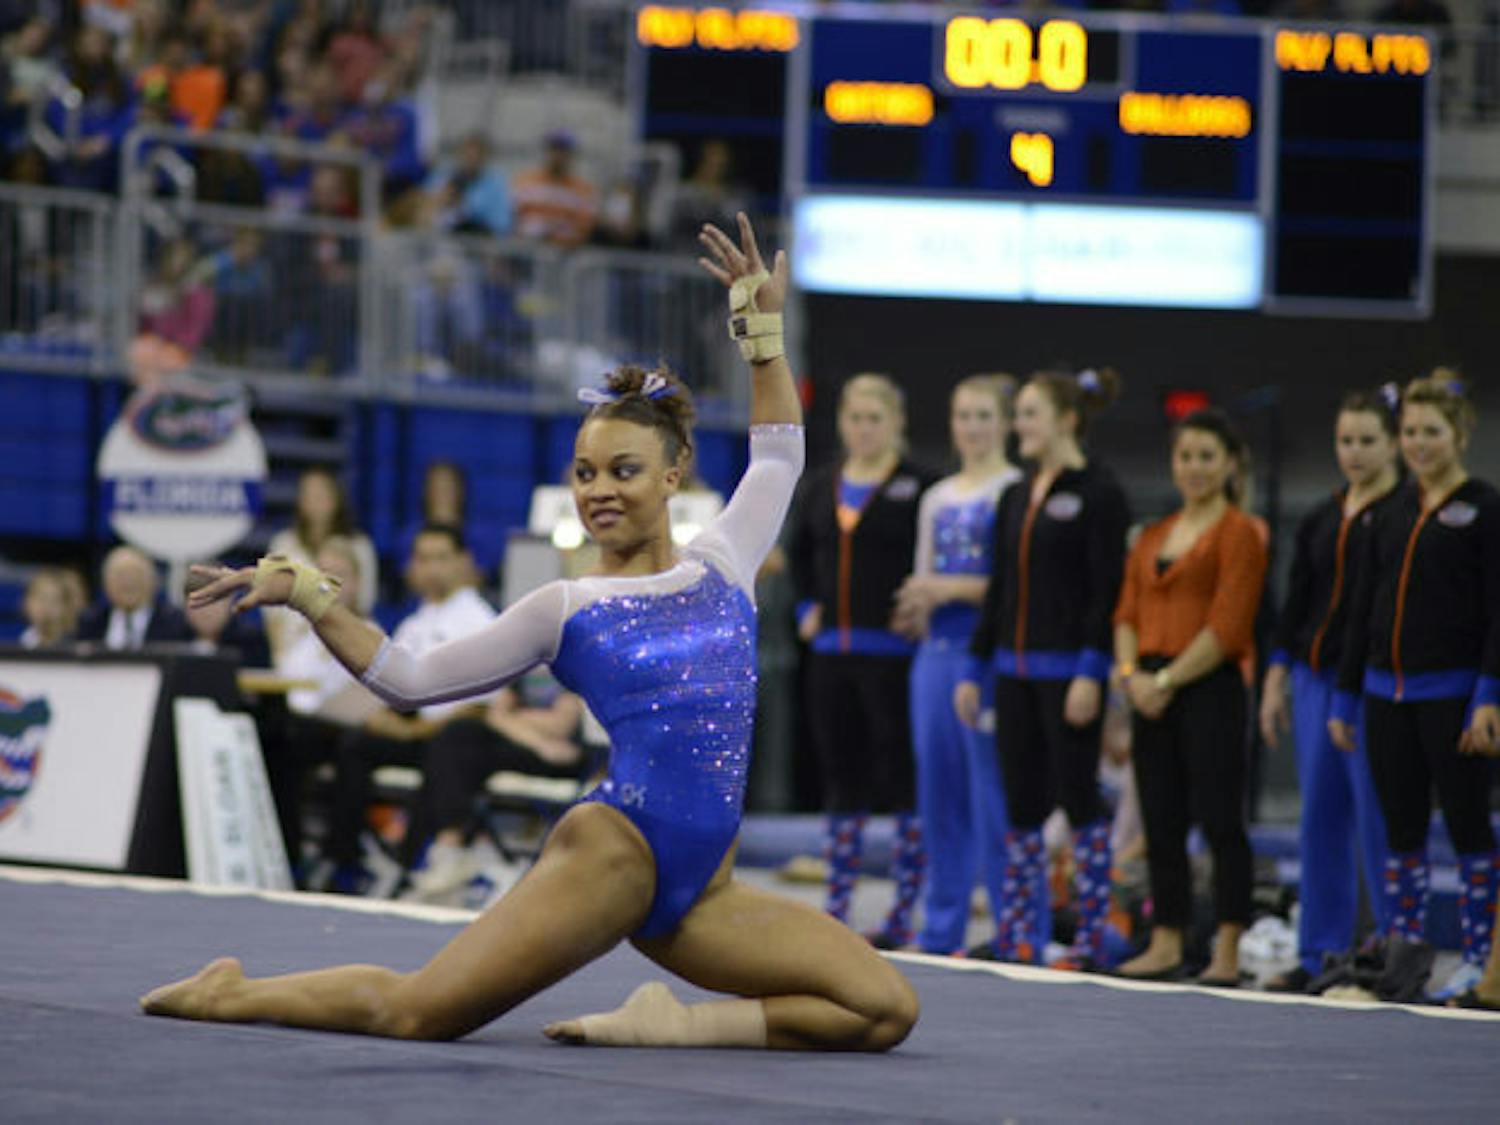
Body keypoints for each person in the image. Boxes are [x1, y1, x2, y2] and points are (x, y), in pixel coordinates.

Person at [142, 213, 919, 1053]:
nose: (599, 491)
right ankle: (232, 992)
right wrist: (310, 593)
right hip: (617, 854)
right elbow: (408, 677)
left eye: (623, 471)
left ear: (673, 474)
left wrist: (758, 330)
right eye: (584, 473)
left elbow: (777, 459)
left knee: (882, 1008)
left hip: (706, 889)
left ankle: (670, 1022)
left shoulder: (724, 562)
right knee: (419, 1011)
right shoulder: (566, 607)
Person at [1329, 372, 1500, 1003]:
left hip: (1453, 694)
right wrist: (1346, 694)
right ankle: (1404, 951)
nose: (1419, 444)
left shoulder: (1483, 509)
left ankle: (1482, 961)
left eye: (1432, 431)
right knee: (1400, 828)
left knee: (1467, 827)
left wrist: (1489, 695)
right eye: (1410, 432)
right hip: (1384, 694)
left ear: (1459, 435)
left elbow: (1497, 612)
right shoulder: (1392, 510)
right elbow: (1361, 609)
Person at [954, 368, 1129, 968]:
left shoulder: (1100, 492)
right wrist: (975, 668)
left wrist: (1091, 671)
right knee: (1022, 803)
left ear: (1066, 420)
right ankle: (1022, 932)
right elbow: (1001, 589)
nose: (1019, 425)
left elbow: (1108, 593)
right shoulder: (1014, 495)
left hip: (1068, 673)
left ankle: (1089, 936)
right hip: (1013, 672)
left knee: (1079, 799)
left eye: (1029, 413)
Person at [1113, 409, 1268, 986]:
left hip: (1206, 685)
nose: (1195, 468)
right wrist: (1132, 676)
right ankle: (1167, 937)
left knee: (1221, 820)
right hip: (1149, 687)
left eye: (1206, 456)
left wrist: (1167, 681)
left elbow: (1229, 627)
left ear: (1229, 464)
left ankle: (1227, 945)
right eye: (1185, 457)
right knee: (1162, 818)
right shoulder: (1153, 534)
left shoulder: (1239, 535)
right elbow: (1126, 612)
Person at [1258, 388, 1402, 993]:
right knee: (1320, 821)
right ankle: (1320, 953)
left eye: (1368, 441)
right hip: (1316, 681)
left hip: (1376, 687)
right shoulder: (1322, 516)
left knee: (1380, 825)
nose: (1356, 453)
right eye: (1346, 441)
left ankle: (1390, 953)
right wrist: (1275, 679)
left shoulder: (1402, 515)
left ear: (1392, 442)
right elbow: (1296, 606)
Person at [789, 373, 937, 949]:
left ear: (896, 423)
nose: (864, 429)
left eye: (875, 419)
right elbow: (800, 552)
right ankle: (838, 903)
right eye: (855, 418)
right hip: (832, 656)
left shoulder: (920, 486)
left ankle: (903, 910)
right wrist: (805, 605)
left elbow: (934, 553)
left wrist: (920, 603)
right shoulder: (822, 484)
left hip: (895, 654)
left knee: (900, 780)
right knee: (841, 779)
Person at [891, 375, 1022, 956]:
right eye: (962, 416)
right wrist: (915, 606)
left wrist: (941, 587)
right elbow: (923, 577)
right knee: (937, 792)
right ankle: (942, 925)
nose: (971, 427)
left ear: (1005, 424)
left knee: (992, 794)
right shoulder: (937, 497)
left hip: (986, 653)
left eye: (983, 416)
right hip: (935, 654)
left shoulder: (1013, 490)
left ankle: (1010, 924)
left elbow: (1010, 586)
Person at [320, 524, 497, 891]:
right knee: (353, 744)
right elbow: (385, 684)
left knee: (448, 745)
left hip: (452, 732)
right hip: (414, 728)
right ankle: (347, 861)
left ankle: (414, 862)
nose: (430, 567)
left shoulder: (479, 620)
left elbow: (481, 706)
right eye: (422, 558)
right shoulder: (415, 623)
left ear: (463, 562)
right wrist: (386, 723)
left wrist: (419, 730)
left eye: (440, 558)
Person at [401, 680, 588, 904]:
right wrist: (537, 741)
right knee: (456, 742)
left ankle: (435, 855)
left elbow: (560, 726)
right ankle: (447, 850)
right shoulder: (524, 672)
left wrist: (513, 720)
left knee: (455, 751)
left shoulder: (567, 673)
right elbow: (495, 716)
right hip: (538, 747)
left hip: (564, 761)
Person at [266, 466, 378, 656]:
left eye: (322, 494)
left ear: (337, 498)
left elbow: (364, 601)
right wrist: (280, 656)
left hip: (343, 641)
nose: (316, 501)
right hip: (293, 643)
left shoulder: (359, 546)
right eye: (309, 494)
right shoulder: (284, 544)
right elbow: (272, 610)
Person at [75, 545, 192, 650]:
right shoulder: (90, 623)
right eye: (120, 575)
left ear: (153, 581)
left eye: (136, 574)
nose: (128, 582)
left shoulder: (175, 624)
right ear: (106, 584)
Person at [511, 131, 597, 249]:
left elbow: (585, 228)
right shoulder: (526, 181)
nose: (558, 156)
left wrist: (558, 236)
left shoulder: (582, 190)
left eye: (563, 151)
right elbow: (512, 216)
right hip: (527, 249)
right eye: (554, 149)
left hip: (564, 254)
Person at [18, 568, 71, 648]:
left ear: (66, 608)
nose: (46, 605)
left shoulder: (72, 643)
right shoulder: (26, 639)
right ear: (27, 603)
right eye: (41, 598)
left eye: (54, 600)